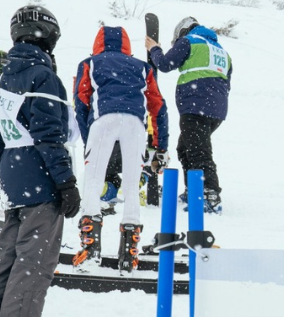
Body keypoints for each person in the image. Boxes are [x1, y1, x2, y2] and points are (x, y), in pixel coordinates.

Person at [0, 5, 80, 317]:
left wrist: (9, 171)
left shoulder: (4, 77)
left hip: (15, 178)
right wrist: (65, 183)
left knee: (5, 255)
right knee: (34, 261)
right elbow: (50, 135)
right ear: (47, 35)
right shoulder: (42, 76)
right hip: (40, 178)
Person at [72, 25, 169, 270]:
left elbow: (81, 103)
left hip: (104, 118)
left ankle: (90, 246)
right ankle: (129, 252)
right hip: (135, 124)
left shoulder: (89, 63)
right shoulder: (142, 67)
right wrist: (160, 145)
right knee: (131, 186)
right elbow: (158, 105)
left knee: (93, 181)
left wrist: (88, 139)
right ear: (127, 44)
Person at [146, 17, 231, 213]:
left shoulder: (189, 42)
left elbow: (166, 64)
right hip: (216, 109)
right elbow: (227, 83)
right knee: (185, 148)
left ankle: (210, 194)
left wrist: (154, 49)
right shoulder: (222, 52)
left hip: (195, 106)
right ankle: (194, 190)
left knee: (198, 152)